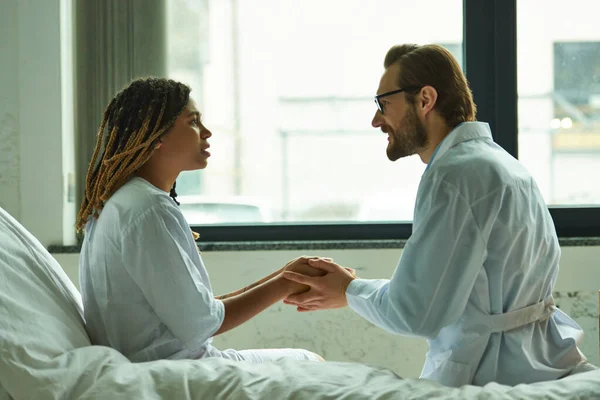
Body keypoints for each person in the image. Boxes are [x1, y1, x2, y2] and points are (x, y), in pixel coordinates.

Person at [281, 44, 595, 387]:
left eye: (383, 104)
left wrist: (349, 290)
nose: (375, 120)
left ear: (425, 100)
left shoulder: (455, 176)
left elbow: (416, 313)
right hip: (540, 363)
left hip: (493, 374)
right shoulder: (501, 163)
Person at [76, 77, 324, 364]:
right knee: (310, 362)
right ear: (156, 136)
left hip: (163, 364)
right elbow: (201, 326)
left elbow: (197, 312)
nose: (206, 132)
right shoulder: (148, 208)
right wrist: (285, 284)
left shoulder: (123, 202)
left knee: (307, 361)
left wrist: (287, 275)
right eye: (193, 122)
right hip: (175, 370)